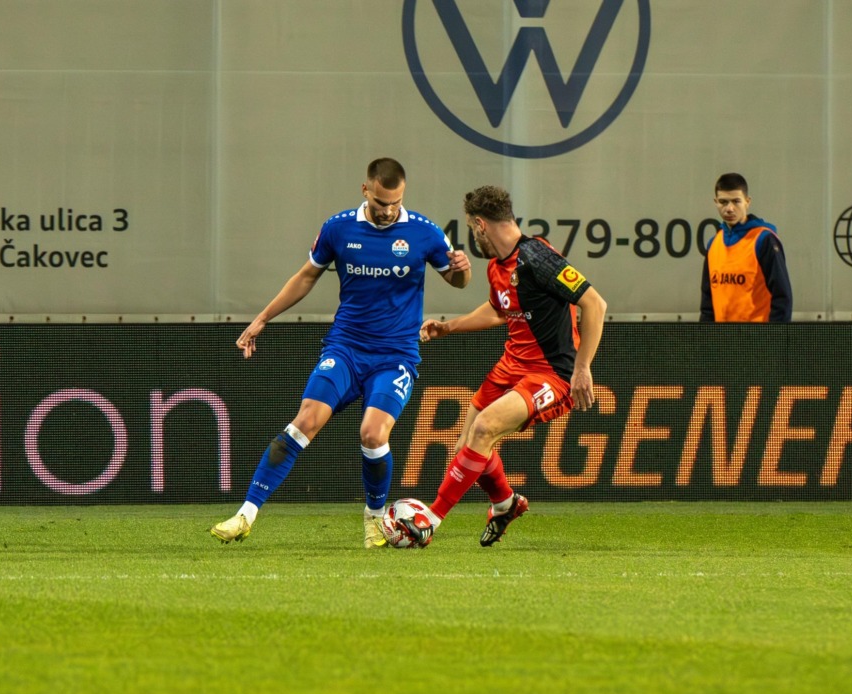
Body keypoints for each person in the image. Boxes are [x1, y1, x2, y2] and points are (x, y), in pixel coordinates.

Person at [211, 158, 471, 548]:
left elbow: (457, 280)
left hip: (395, 356)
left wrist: (463, 269)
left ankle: (374, 519)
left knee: (373, 434)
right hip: (346, 349)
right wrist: (262, 318)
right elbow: (306, 276)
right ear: (365, 190)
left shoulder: (425, 232)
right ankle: (245, 515)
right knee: (304, 422)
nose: (388, 211)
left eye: (396, 203)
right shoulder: (339, 228)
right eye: (381, 202)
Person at [399, 185, 607, 547]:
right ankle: (506, 502)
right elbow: (498, 310)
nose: (472, 235)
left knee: (484, 428)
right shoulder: (497, 266)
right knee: (467, 446)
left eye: (471, 227)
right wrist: (449, 327)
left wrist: (582, 368)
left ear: (481, 225)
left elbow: (594, 303)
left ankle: (430, 520)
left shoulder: (538, 258)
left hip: (550, 374)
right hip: (511, 366)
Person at [700, 173, 792, 322]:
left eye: (736, 201)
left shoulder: (763, 240)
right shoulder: (714, 244)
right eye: (723, 202)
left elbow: (782, 299)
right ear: (715, 202)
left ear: (747, 202)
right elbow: (707, 305)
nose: (729, 208)